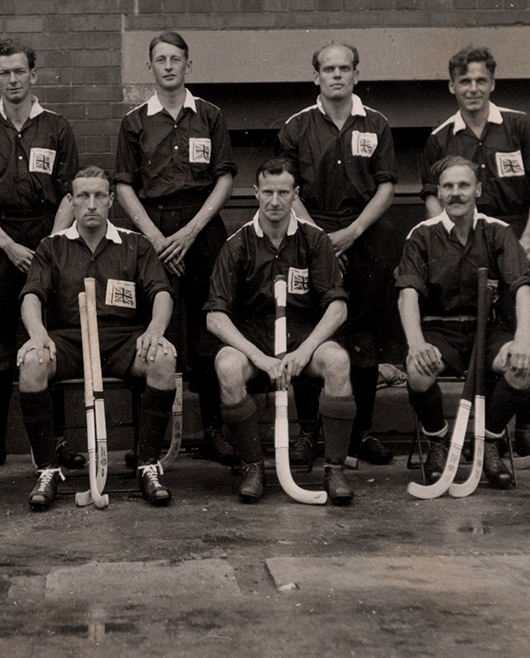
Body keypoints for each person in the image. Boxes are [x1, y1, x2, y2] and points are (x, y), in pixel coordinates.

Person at [421, 45, 530, 463]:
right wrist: (448, 244)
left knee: (525, 331)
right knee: (481, 334)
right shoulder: (440, 138)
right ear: (452, 87)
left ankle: (525, 429)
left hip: (516, 238)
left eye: (481, 80)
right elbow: (432, 199)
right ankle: (482, 437)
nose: (473, 88)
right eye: (465, 81)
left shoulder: (518, 125)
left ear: (492, 83)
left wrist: (529, 238)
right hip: (466, 243)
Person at [16, 167, 178, 510]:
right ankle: (47, 470)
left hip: (122, 340)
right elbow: (32, 296)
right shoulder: (52, 246)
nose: (91, 204)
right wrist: (38, 334)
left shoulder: (134, 244)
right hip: (70, 341)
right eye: (83, 196)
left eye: (99, 196)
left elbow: (161, 292)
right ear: (72, 202)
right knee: (32, 363)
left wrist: (155, 330)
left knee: (163, 360)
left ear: (111, 201)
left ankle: (148, 465)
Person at [0, 38, 84, 474]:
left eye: (19, 71)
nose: (13, 80)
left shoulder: (57, 127)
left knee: (50, 341)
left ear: (33, 75)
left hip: (49, 236)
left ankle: (60, 441)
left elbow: (70, 192)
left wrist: (49, 248)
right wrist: (9, 246)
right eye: (4, 73)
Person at [115, 30, 236, 466]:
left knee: (207, 332)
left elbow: (224, 177)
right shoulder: (135, 121)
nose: (168, 66)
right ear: (151, 67)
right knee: (150, 332)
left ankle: (215, 432)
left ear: (189, 65)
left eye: (176, 59)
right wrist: (154, 236)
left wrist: (191, 232)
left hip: (201, 230)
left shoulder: (210, 115)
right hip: (154, 232)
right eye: (160, 59)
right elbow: (124, 185)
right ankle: (147, 440)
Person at [206, 159, 357, 505]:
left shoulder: (314, 240)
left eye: (283, 193)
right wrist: (259, 358)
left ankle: (334, 469)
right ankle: (253, 466)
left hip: (302, 336)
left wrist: (305, 352)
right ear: (256, 193)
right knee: (228, 367)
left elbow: (338, 306)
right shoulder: (237, 244)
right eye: (268, 192)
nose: (275, 201)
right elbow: (215, 317)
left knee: (336, 361)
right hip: (254, 339)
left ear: (295, 195)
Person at [276, 42, 398, 470]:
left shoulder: (377, 124)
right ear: (316, 77)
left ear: (356, 75)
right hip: (312, 234)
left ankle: (360, 433)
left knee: (363, 339)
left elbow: (386, 186)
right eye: (328, 69)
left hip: (364, 234)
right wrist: (321, 240)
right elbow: (286, 190)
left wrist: (354, 232)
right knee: (312, 332)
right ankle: (309, 432)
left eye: (344, 68)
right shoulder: (297, 126)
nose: (337, 75)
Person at [399, 156, 530, 489]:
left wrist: (522, 340)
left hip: (486, 330)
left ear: (478, 189)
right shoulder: (422, 235)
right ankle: (438, 441)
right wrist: (416, 343)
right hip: (440, 328)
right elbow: (407, 294)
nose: (456, 193)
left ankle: (487, 441)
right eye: (448, 187)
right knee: (417, 369)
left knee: (522, 369)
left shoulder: (497, 231)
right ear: (440, 193)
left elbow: (523, 289)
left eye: (463, 185)